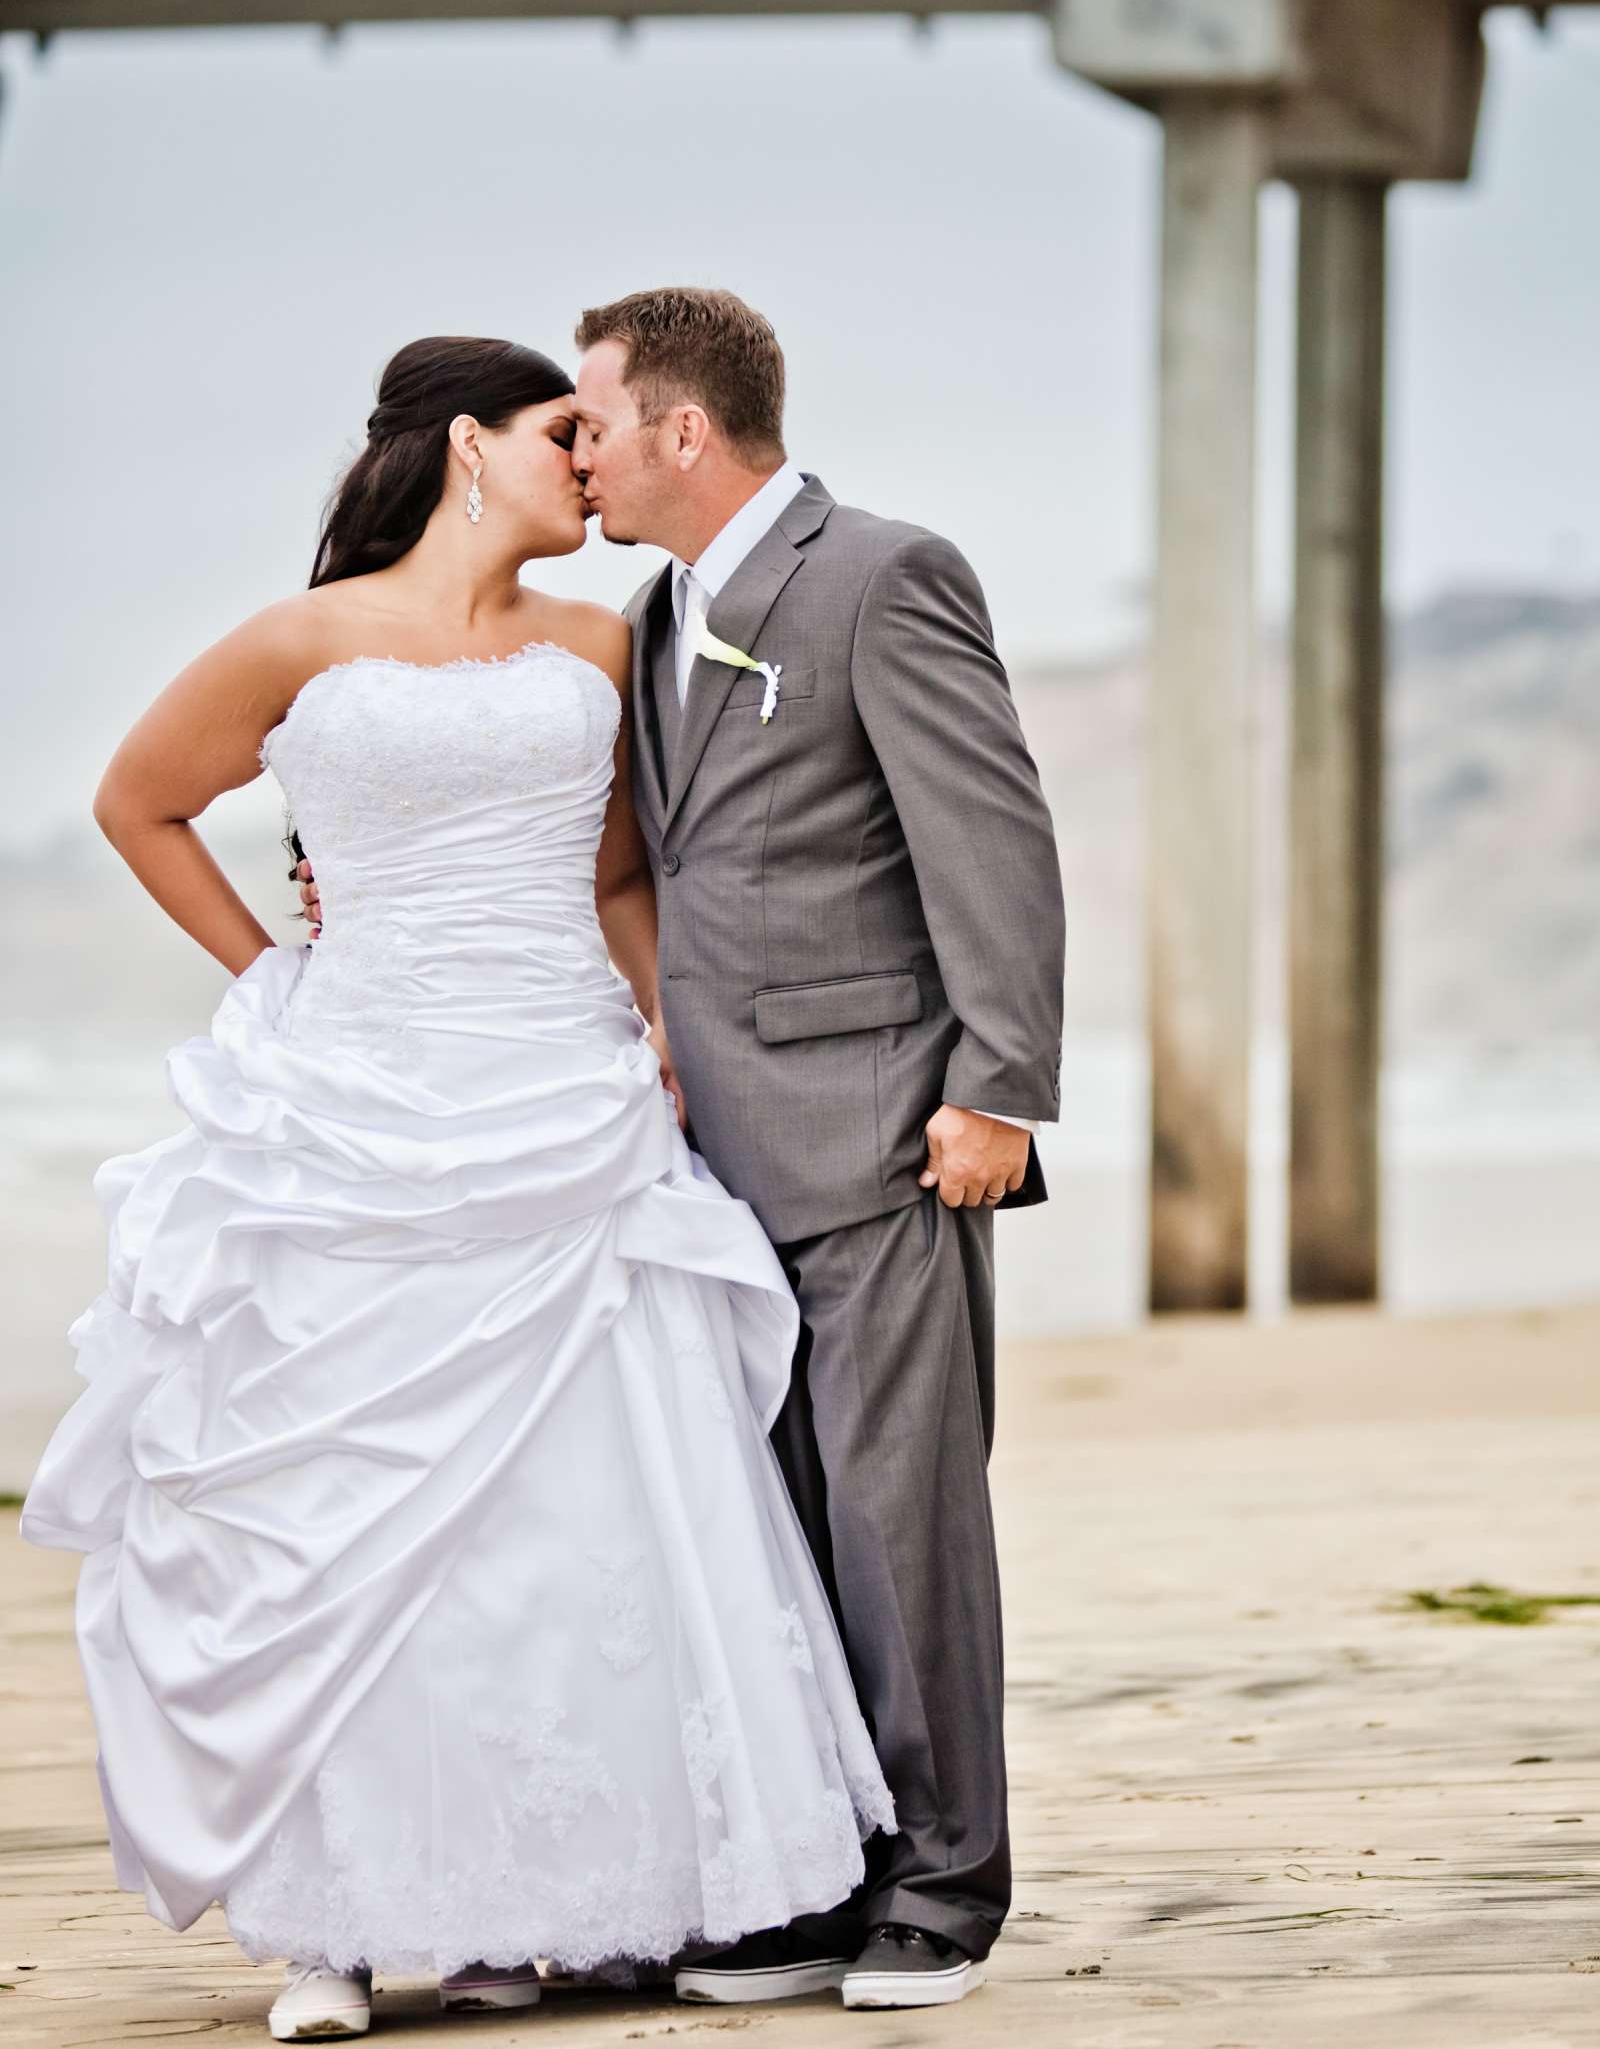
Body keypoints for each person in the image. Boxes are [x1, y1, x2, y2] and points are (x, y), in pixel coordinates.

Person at [21, 335, 895, 2043]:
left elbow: (625, 874)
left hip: (562, 1097)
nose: (596, 462)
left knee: (562, 1522)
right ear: (467, 446)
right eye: (567, 432)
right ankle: (327, 1932)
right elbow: (141, 802)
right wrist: (264, 972)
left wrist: (661, 1030)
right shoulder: (302, 640)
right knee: (333, 1510)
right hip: (351, 1102)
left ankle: (515, 1911)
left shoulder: (601, 644)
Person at [570, 286, 1066, 2007]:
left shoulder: (882, 575)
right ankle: (821, 1877)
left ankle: (944, 1885)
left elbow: (991, 839)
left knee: (896, 1518)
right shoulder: (650, 610)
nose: (584, 452)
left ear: (683, 432)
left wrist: (996, 1087)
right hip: (712, 1161)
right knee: (774, 1523)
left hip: (881, 1138)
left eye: (599, 420)